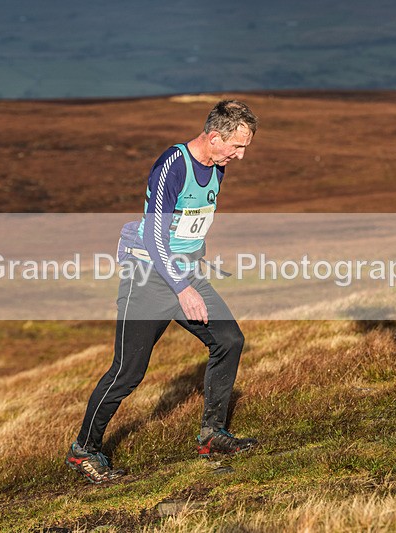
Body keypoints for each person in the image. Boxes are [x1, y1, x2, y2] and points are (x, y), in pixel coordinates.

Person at [66, 100, 259, 483]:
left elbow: (190, 226)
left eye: (244, 148)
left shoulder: (216, 166)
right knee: (128, 371)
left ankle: (211, 433)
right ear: (214, 137)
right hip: (148, 277)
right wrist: (183, 288)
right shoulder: (173, 165)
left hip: (184, 273)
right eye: (236, 147)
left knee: (229, 340)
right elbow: (156, 237)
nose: (240, 156)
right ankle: (83, 451)